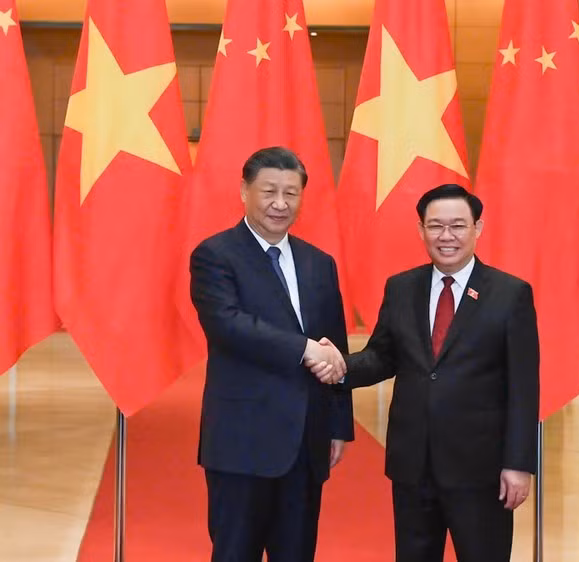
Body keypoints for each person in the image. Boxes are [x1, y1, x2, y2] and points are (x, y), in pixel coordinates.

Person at [311, 184, 540, 562]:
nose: (446, 236)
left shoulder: (510, 293)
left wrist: (518, 464)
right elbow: (382, 357)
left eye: (457, 226)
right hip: (412, 464)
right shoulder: (402, 287)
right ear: (421, 230)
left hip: (480, 469)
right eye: (435, 226)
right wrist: (340, 366)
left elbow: (524, 386)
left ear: (477, 229)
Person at [189, 146, 354, 562]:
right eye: (268, 191)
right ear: (244, 191)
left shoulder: (320, 263)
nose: (280, 204)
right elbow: (227, 325)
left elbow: (334, 345)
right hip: (242, 441)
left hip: (306, 441)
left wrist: (339, 424)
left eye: (291, 193)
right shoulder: (215, 255)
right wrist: (301, 349)